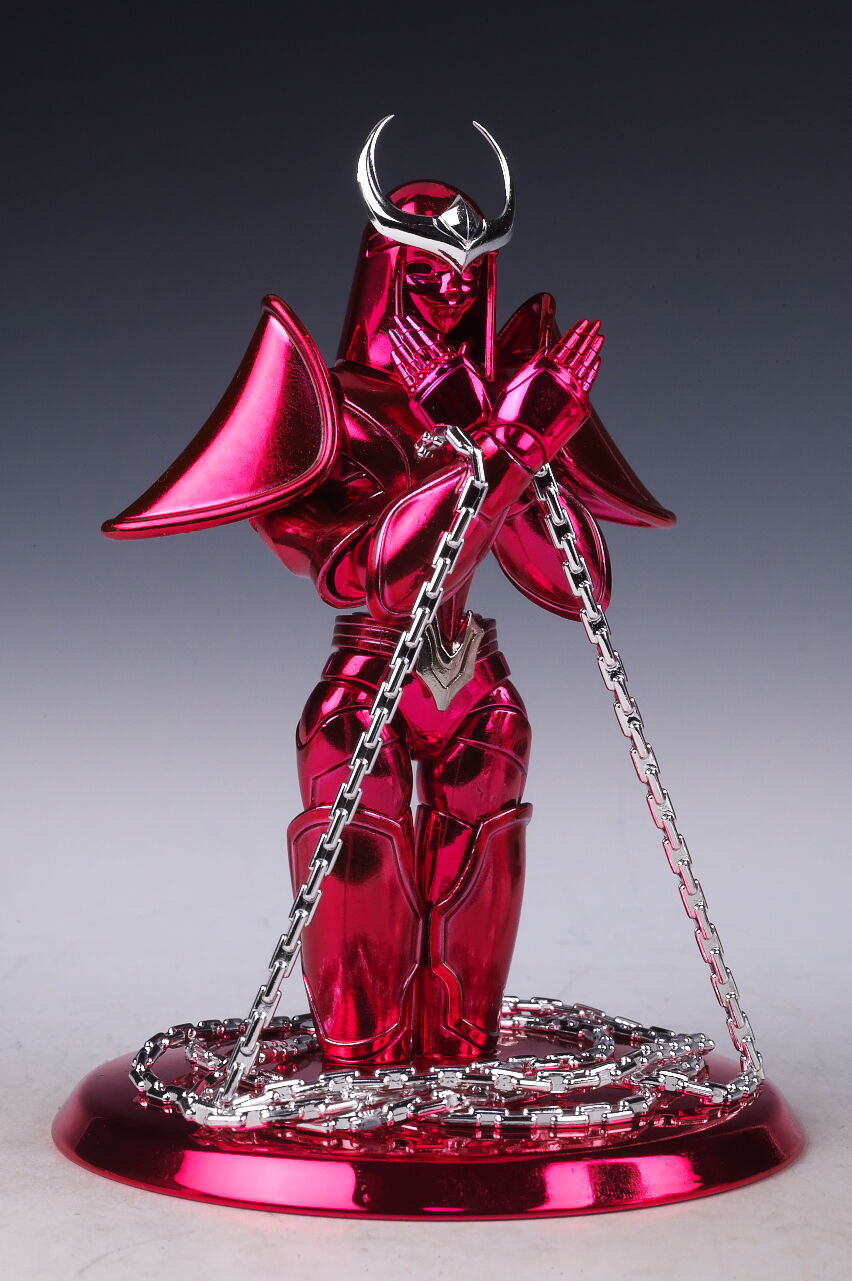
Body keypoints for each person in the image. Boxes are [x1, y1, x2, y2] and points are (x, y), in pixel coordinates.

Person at [103, 120, 673, 1069]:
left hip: (476, 682)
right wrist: (505, 443)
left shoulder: (497, 396)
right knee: (356, 959)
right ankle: (358, 1061)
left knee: (470, 983)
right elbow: (384, 574)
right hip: (365, 683)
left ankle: (460, 1057)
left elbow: (579, 585)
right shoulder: (333, 410)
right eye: (426, 273)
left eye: (469, 276)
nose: (451, 294)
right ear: (382, 273)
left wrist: (506, 432)